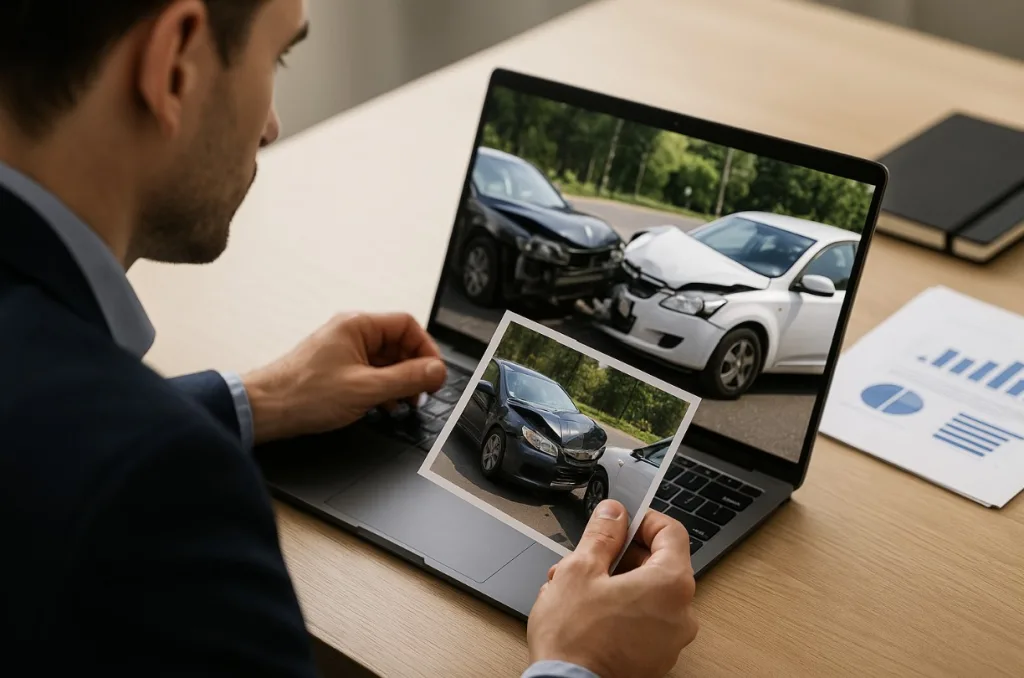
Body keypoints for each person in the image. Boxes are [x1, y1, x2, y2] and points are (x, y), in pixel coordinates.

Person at [0, 1, 699, 676]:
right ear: (175, 63)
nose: (272, 125)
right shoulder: (164, 494)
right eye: (278, 57)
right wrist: (578, 662)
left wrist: (255, 399)